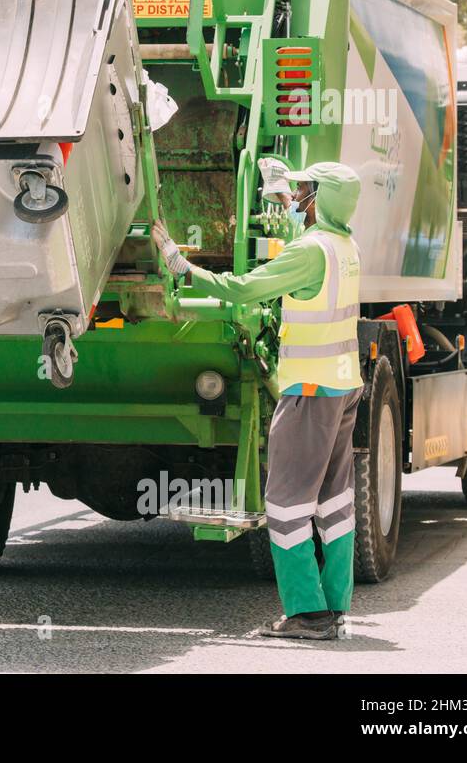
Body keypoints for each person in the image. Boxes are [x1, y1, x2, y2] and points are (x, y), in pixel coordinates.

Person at [152, 161, 363, 640]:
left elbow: (245, 288)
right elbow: (304, 235)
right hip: (342, 386)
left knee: (287, 502)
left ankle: (307, 615)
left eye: (307, 190)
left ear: (323, 198)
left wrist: (183, 267)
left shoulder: (311, 252)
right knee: (334, 501)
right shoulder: (345, 246)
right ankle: (333, 607)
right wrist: (284, 197)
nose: (302, 196)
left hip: (309, 391)